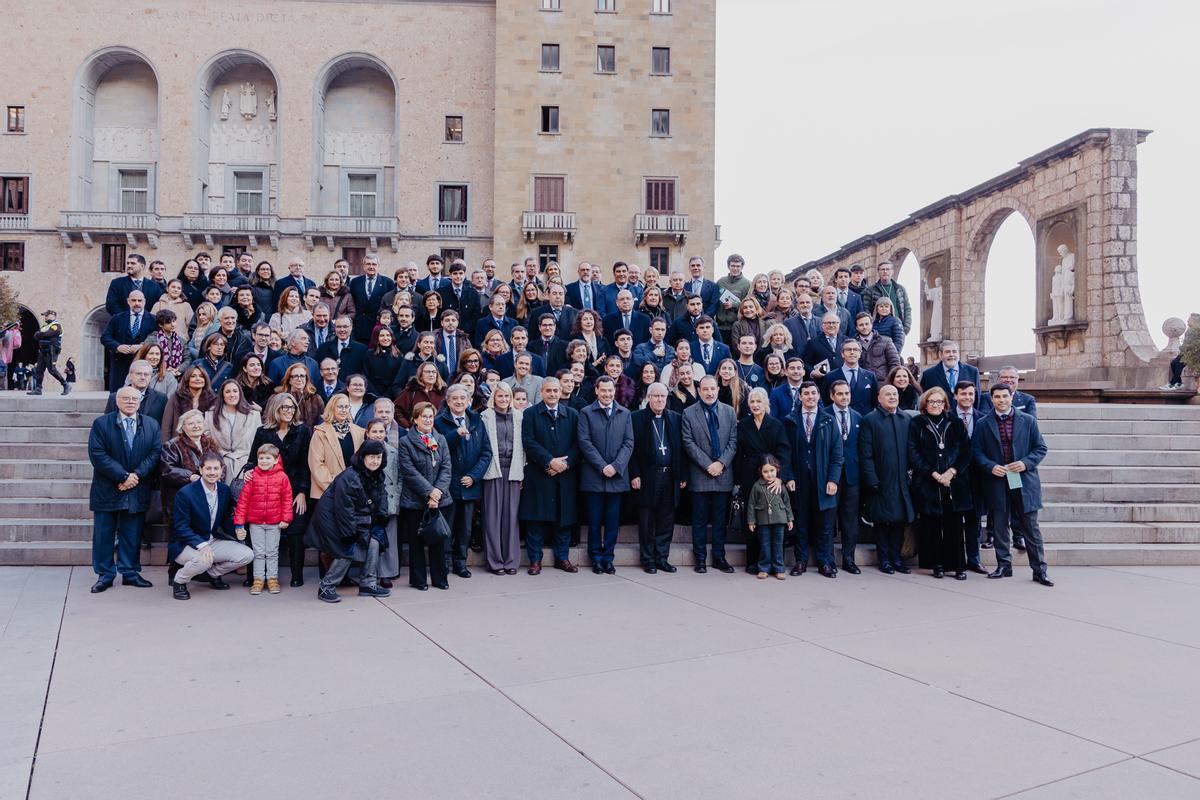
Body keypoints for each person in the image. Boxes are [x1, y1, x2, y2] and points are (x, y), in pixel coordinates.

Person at [973, 384, 1053, 586]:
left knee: (1031, 527)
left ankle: (1039, 570)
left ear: (1011, 397)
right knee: (1000, 526)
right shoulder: (983, 423)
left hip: (1022, 479)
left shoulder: (1028, 420)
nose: (1001, 400)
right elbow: (976, 452)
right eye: (997, 397)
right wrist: (990, 466)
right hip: (997, 480)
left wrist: (1025, 463)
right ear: (991, 399)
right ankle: (1004, 565)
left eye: (1005, 396)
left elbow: (1040, 448)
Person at [87, 386, 162, 593]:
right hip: (107, 487)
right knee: (104, 535)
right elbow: (97, 454)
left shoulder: (151, 424)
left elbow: (155, 453)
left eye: (134, 399)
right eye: (125, 398)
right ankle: (105, 575)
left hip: (137, 487)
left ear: (139, 402)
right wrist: (123, 476)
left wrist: (136, 475)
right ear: (117, 401)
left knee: (132, 533)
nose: (130, 402)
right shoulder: (101, 423)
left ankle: (130, 573)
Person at [167, 451, 255, 600]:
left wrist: (237, 529)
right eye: (208, 468)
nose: (212, 472)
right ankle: (179, 581)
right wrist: (201, 545)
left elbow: (226, 519)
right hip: (185, 544)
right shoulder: (185, 493)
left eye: (216, 468)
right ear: (200, 470)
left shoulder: (224, 490)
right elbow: (181, 527)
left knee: (247, 555)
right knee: (204, 560)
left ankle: (211, 575)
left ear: (222, 470)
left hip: (211, 540)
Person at [312, 439, 391, 602]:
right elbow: (344, 508)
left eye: (378, 457)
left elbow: (382, 497)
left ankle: (368, 584)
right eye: (371, 457)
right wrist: (350, 533)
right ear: (363, 457)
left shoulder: (377, 474)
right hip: (333, 518)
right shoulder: (350, 476)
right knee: (348, 547)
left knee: (375, 540)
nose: (375, 461)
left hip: (358, 517)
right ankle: (326, 586)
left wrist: (380, 519)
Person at [249, 393, 313, 587]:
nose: (289, 411)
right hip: (267, 490)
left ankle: (296, 575)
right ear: (276, 409)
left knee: (297, 528)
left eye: (292, 407)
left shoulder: (302, 431)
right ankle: (255, 577)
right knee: (257, 529)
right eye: (284, 407)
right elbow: (253, 460)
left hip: (294, 489)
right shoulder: (263, 432)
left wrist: (302, 492)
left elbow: (306, 465)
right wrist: (248, 472)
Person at [908, 387, 972, 580]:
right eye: (931, 401)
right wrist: (935, 474)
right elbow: (913, 453)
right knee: (932, 525)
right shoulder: (917, 423)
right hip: (928, 482)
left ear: (945, 404)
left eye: (939, 401)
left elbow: (966, 451)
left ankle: (958, 566)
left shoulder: (955, 422)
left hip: (954, 483)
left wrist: (952, 471)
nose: (935, 405)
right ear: (925, 404)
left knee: (955, 525)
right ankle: (936, 564)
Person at [520, 378, 580, 574]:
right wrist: (549, 461)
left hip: (565, 474)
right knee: (535, 519)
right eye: (549, 391)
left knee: (564, 519)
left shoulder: (572, 414)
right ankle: (535, 560)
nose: (553, 394)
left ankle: (562, 558)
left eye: (556, 390)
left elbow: (578, 443)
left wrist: (564, 464)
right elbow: (528, 441)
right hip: (539, 473)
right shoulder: (530, 414)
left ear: (561, 392)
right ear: (542, 392)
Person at [783, 381, 842, 577]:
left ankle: (824, 562)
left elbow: (837, 453)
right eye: (806, 393)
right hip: (799, 479)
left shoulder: (829, 420)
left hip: (823, 480)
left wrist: (833, 479)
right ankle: (800, 561)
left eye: (813, 393)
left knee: (824, 524)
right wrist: (788, 476)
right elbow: (785, 453)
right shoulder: (790, 421)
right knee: (801, 522)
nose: (810, 397)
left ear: (818, 396)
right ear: (800, 397)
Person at [577, 375, 634, 574]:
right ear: (596, 391)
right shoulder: (586, 412)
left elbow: (629, 443)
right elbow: (584, 442)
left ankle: (608, 558)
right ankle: (595, 558)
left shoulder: (625, 413)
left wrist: (616, 466)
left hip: (616, 477)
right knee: (594, 521)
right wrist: (602, 466)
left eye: (610, 390)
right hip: (594, 476)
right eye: (603, 390)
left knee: (612, 521)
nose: (607, 394)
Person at [434, 384, 492, 578]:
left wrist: (474, 476)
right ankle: (443, 563)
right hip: (448, 484)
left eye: (463, 398)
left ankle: (460, 563)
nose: (459, 402)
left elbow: (486, 452)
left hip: (469, 484)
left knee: (465, 529)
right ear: (448, 401)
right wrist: (455, 435)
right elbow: (437, 451)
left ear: (469, 401)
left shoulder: (476, 420)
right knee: (446, 527)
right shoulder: (439, 422)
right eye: (455, 398)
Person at [681, 375, 738, 573]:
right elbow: (688, 442)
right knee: (699, 520)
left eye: (712, 389)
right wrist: (708, 465)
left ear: (717, 390)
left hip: (723, 473)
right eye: (705, 389)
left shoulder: (729, 412)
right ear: (699, 391)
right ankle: (700, 559)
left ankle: (719, 558)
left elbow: (733, 441)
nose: (709, 393)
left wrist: (721, 463)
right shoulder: (688, 413)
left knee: (720, 521)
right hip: (700, 474)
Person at [396, 402, 453, 591]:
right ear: (415, 419)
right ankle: (418, 580)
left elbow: (446, 468)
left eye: (430, 416)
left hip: (439, 499)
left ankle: (440, 579)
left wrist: (437, 493)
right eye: (424, 416)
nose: (428, 420)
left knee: (438, 539)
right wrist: (429, 492)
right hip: (415, 500)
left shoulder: (441, 439)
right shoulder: (405, 442)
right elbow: (409, 472)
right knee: (416, 541)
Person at [858, 384, 915, 574]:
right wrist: (871, 480)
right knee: (881, 522)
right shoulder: (870, 420)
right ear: (879, 398)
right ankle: (884, 560)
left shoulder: (906, 418)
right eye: (888, 394)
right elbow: (865, 454)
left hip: (901, 481)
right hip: (880, 480)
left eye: (895, 394)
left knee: (899, 521)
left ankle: (897, 559)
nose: (892, 397)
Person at [629, 383, 684, 573]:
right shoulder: (636, 418)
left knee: (666, 520)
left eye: (663, 396)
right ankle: (648, 560)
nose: (660, 400)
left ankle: (662, 558)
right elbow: (631, 449)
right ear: (648, 397)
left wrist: (682, 475)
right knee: (646, 520)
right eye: (656, 396)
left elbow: (681, 449)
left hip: (669, 475)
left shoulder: (674, 418)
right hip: (647, 476)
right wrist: (634, 473)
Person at [736, 386, 791, 573]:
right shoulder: (743, 425)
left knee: (774, 518)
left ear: (766, 403)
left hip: (772, 476)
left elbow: (784, 452)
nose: (755, 405)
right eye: (752, 401)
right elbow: (738, 453)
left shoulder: (776, 425)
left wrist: (780, 478)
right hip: (749, 475)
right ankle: (754, 561)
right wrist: (738, 480)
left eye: (759, 401)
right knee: (752, 517)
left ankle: (776, 564)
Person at [233, 443, 294, 595]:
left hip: (274, 523)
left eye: (268, 458)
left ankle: (272, 579)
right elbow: (243, 501)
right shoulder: (252, 476)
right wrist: (239, 523)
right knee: (258, 552)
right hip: (256, 523)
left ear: (276, 460)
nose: (264, 461)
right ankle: (258, 580)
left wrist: (286, 518)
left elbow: (287, 499)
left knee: (272, 552)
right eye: (261, 458)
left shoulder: (282, 477)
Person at [479, 383, 524, 575]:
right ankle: (495, 562)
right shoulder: (485, 416)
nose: (504, 399)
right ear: (494, 398)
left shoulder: (519, 416)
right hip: (493, 470)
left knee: (511, 517)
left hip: (513, 470)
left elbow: (523, 446)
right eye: (500, 396)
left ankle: (511, 560)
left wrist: (522, 471)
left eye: (507, 396)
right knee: (492, 517)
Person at [159, 408, 219, 533]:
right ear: (183, 427)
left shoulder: (210, 443)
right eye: (191, 423)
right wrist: (191, 476)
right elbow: (167, 470)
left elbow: (221, 465)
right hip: (181, 497)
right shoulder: (172, 445)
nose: (196, 426)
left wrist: (216, 478)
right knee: (183, 534)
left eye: (199, 422)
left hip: (207, 496)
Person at [825, 380, 863, 573]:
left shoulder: (857, 416)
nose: (844, 397)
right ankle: (828, 560)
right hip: (830, 475)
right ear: (832, 396)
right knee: (828, 519)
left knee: (850, 521)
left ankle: (849, 559)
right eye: (840, 394)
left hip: (852, 476)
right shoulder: (824, 415)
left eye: (847, 393)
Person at [308, 393, 366, 501]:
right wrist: (337, 487)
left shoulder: (359, 432)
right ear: (332, 408)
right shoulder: (320, 433)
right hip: (328, 493)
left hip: (353, 492)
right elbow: (316, 465)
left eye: (346, 407)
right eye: (340, 407)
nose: (344, 410)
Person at [747, 456, 793, 579]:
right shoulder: (757, 486)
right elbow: (751, 504)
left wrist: (790, 519)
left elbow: (787, 502)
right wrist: (751, 521)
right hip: (763, 520)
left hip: (780, 520)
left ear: (777, 469)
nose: (769, 474)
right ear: (761, 472)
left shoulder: (780, 485)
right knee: (765, 545)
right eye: (766, 471)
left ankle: (779, 568)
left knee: (778, 544)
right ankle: (764, 568)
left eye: (772, 470)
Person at [205, 379, 261, 480]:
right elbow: (206, 442)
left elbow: (259, 444)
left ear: (240, 393)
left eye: (235, 391)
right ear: (222, 395)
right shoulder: (210, 416)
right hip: (220, 466)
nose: (232, 395)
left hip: (247, 467)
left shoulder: (254, 415)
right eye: (227, 392)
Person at [102, 290, 154, 391]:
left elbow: (157, 340)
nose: (137, 303)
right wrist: (117, 346)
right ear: (128, 301)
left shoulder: (153, 320)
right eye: (133, 300)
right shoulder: (117, 318)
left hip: (143, 363)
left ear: (144, 301)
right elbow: (105, 337)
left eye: (139, 300)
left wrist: (142, 346)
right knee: (118, 393)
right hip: (120, 363)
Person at [162, 365, 216, 443]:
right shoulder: (176, 397)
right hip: (178, 445)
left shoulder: (213, 400)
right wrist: (166, 446)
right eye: (193, 376)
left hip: (204, 445)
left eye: (201, 376)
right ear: (187, 379)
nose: (198, 379)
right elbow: (166, 428)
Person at [823, 340, 879, 416]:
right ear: (842, 354)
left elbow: (875, 402)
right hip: (840, 419)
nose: (852, 352)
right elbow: (826, 402)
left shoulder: (870, 376)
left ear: (860, 353)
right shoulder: (830, 377)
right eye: (848, 349)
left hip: (865, 420)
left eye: (855, 349)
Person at [104, 359, 167, 424]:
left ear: (150, 377)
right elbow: (107, 422)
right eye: (139, 374)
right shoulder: (114, 397)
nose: (143, 377)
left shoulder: (161, 398)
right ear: (130, 376)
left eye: (146, 374)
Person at [860, 261, 912, 334]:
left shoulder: (900, 289)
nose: (885, 271)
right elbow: (866, 310)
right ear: (878, 272)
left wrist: (906, 327)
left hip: (898, 328)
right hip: (878, 330)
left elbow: (907, 308)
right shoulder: (870, 290)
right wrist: (871, 328)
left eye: (887, 269)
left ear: (892, 272)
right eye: (882, 269)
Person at [396, 361, 446, 428]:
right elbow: (396, 410)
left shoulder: (443, 393)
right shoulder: (411, 391)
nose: (431, 374)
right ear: (420, 375)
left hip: (438, 431)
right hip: (416, 431)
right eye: (428, 372)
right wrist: (408, 426)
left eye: (434, 372)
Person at [853, 313, 901, 383]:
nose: (864, 327)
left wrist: (889, 382)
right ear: (856, 327)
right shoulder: (853, 344)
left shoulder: (886, 341)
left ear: (872, 325)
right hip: (861, 383)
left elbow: (894, 363)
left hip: (883, 382)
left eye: (867, 324)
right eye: (861, 325)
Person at [276, 361, 326, 429]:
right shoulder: (278, 398)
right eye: (295, 376)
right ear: (289, 380)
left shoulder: (316, 399)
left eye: (302, 376)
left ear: (306, 379)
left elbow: (322, 422)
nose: (299, 379)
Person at [802, 313, 848, 383]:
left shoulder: (847, 341)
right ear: (822, 325)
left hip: (844, 382)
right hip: (823, 382)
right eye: (828, 323)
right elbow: (805, 363)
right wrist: (812, 372)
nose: (831, 325)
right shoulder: (813, 343)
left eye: (834, 323)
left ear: (839, 324)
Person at [768, 356, 807, 421]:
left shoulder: (812, 391)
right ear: (786, 372)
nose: (796, 371)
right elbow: (773, 419)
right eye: (792, 368)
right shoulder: (776, 393)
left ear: (803, 372)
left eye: (799, 368)